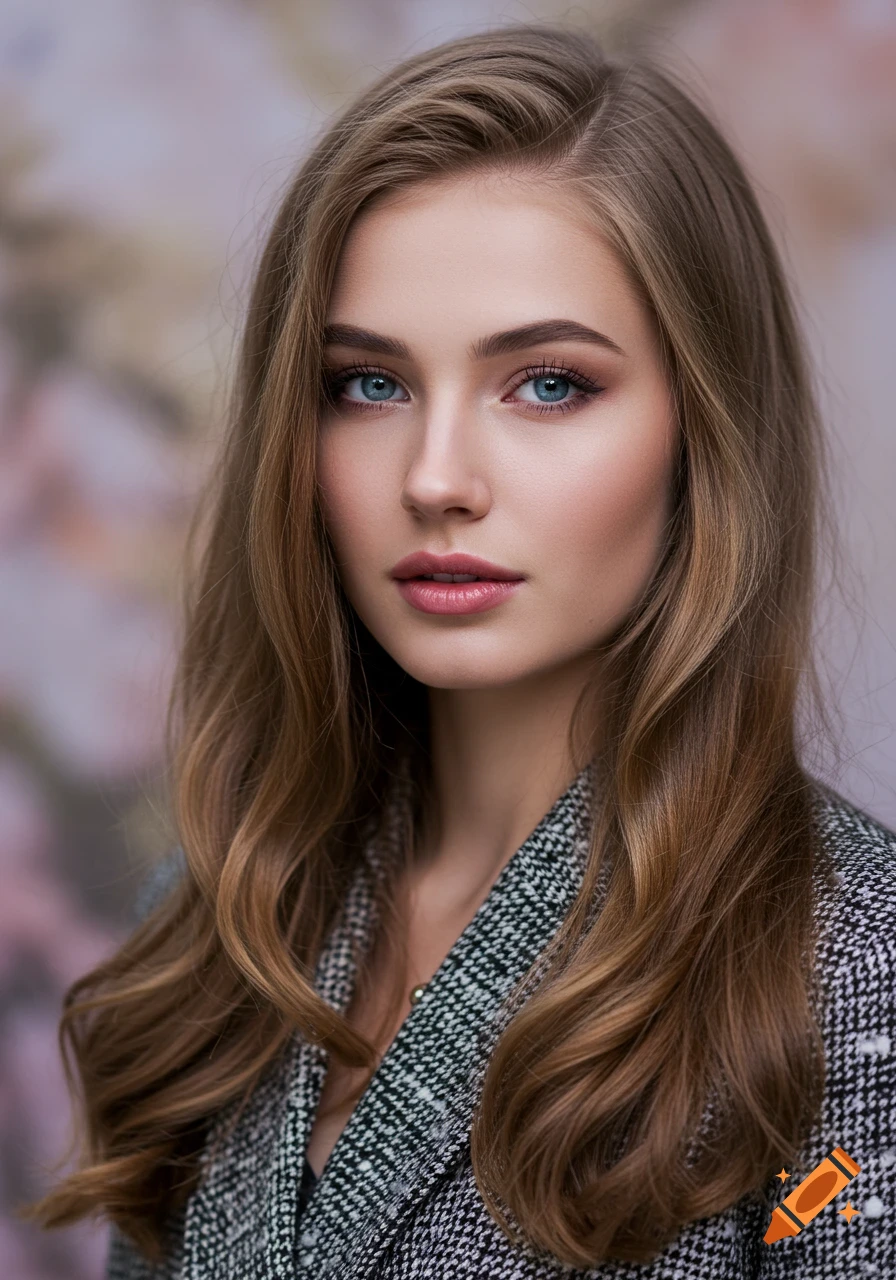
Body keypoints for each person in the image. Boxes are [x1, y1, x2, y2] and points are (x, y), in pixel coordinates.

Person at [25, 22, 896, 1279]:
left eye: (545, 384)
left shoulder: (854, 972)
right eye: (367, 386)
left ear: (704, 425)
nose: (435, 478)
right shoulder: (221, 927)